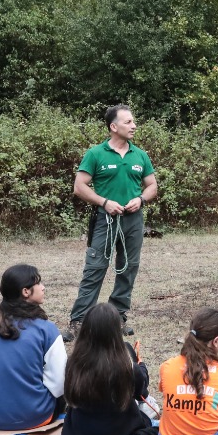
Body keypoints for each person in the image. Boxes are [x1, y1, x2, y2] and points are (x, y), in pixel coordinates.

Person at [68, 104, 159, 341]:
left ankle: (118, 317)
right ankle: (79, 321)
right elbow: (79, 187)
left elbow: (152, 186)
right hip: (104, 221)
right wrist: (104, 202)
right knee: (95, 269)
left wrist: (141, 199)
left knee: (128, 269)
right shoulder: (96, 154)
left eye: (133, 121)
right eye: (128, 122)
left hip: (133, 221)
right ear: (113, 126)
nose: (134, 126)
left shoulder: (140, 155)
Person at [0, 264, 66, 432]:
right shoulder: (47, 330)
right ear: (26, 291)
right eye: (38, 283)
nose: (43, 287)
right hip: (36, 417)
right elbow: (60, 383)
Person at [60, 303, 158, 435]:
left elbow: (69, 395)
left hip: (80, 432)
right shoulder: (128, 364)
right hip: (121, 432)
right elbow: (140, 394)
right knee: (150, 406)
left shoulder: (73, 362)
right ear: (116, 331)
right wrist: (141, 368)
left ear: (85, 329)